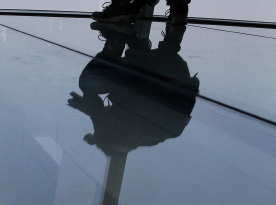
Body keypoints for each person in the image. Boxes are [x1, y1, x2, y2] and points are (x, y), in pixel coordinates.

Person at [67, 22, 198, 155]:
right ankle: (118, 40)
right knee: (87, 83)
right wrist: (85, 106)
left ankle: (171, 37)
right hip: (148, 69)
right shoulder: (117, 132)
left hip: (176, 66)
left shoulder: (157, 135)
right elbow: (98, 113)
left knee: (137, 82)